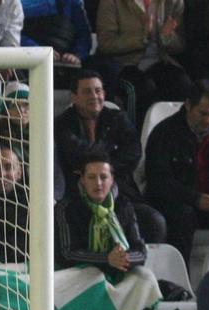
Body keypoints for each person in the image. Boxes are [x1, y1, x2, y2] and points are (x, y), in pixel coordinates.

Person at [55, 69, 166, 245]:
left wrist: (101, 168)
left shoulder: (118, 118)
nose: (94, 96)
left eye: (98, 91)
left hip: (120, 193)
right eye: (87, 91)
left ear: (104, 94)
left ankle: (137, 259)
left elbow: (133, 153)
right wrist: (110, 150)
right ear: (74, 97)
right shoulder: (61, 124)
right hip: (79, 197)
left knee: (155, 221)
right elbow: (74, 154)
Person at [144, 79, 209, 265]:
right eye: (203, 113)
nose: (208, 121)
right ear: (188, 105)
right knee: (183, 216)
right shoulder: (164, 133)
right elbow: (159, 181)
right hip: (178, 203)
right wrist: (195, 198)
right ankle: (178, 276)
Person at [94, 0, 192, 122]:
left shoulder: (174, 2)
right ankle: (134, 133)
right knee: (142, 89)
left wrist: (167, 38)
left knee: (182, 84)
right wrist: (142, 38)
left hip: (159, 61)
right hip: (123, 64)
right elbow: (106, 43)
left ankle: (172, 133)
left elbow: (180, 45)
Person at [55, 153, 147, 274]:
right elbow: (66, 253)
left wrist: (123, 258)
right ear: (82, 180)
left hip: (120, 267)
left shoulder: (123, 204)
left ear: (112, 179)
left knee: (146, 276)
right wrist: (107, 259)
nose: (98, 183)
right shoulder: (66, 207)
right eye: (91, 177)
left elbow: (140, 251)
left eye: (103, 177)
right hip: (79, 274)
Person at [20, 0, 92, 66]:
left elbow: (83, 35)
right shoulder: (17, 3)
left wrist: (76, 55)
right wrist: (37, 49)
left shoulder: (72, 3)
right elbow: (13, 34)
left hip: (64, 65)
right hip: (24, 59)